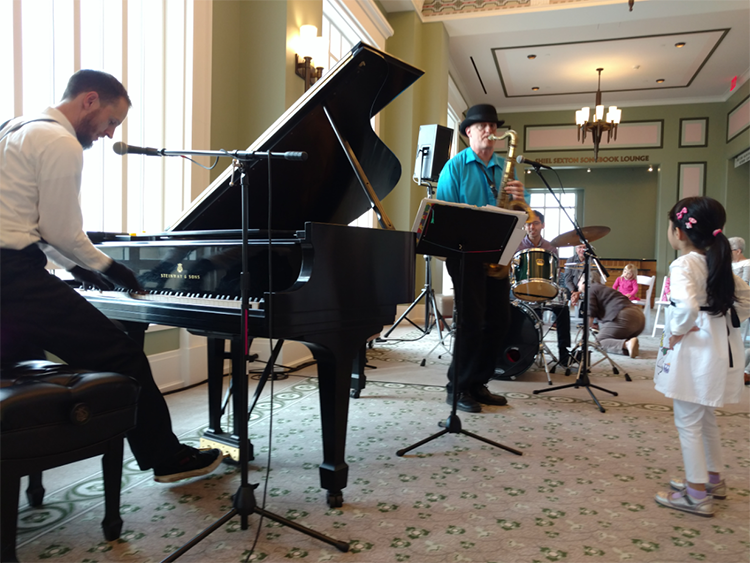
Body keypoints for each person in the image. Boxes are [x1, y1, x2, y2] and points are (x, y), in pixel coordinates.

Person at [0, 69, 222, 483]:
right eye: (111, 121)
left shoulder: (14, 128)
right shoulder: (60, 142)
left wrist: (80, 270)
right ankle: (166, 459)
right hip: (14, 279)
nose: (107, 133)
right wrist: (110, 269)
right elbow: (63, 232)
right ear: (89, 100)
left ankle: (18, 464)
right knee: (124, 356)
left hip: (10, 277)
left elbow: (36, 229)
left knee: (18, 356)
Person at [653, 197, 750, 517]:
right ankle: (713, 479)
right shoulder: (718, 261)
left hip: (698, 351)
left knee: (688, 422)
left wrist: (679, 329)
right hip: (722, 345)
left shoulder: (683, 264)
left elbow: (686, 307)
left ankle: (696, 494)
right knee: (705, 417)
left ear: (679, 233)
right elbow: (746, 300)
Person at [436, 103, 527, 413]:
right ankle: (457, 386)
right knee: (472, 323)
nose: (489, 130)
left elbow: (518, 217)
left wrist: (520, 201)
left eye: (492, 124)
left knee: (499, 322)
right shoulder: (456, 167)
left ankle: (478, 382)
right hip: (465, 254)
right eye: (481, 125)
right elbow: (446, 214)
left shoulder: (505, 167)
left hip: (496, 256)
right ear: (468, 133)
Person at [515, 210, 572, 366]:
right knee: (513, 314)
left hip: (545, 290)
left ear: (543, 225)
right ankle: (521, 354)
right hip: (521, 291)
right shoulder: (517, 245)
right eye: (528, 224)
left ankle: (564, 355)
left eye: (536, 223)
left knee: (563, 309)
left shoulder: (551, 247)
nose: (532, 227)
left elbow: (554, 274)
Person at [571, 271, 644, 357]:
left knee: (599, 342)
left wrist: (583, 339)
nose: (578, 284)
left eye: (579, 281)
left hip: (625, 317)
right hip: (639, 317)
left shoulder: (590, 289)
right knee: (611, 339)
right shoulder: (602, 288)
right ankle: (629, 345)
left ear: (584, 281)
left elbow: (590, 315)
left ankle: (626, 344)